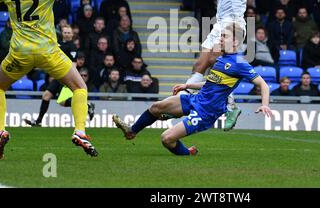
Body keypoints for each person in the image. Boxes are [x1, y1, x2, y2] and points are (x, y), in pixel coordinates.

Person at [0, 0, 136, 159]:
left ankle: (0, 131)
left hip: (20, 53)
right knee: (79, 87)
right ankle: (79, 131)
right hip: (48, 52)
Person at [112, 23, 272, 155]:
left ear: (236, 42)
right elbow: (210, 83)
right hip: (196, 99)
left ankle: (188, 153)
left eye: (225, 36)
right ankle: (131, 131)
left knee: (166, 139)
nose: (220, 39)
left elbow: (263, 85)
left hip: (206, 112)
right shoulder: (221, 59)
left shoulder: (240, 63)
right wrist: (187, 85)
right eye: (221, 35)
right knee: (156, 107)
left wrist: (264, 104)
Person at [184, 0, 260, 131]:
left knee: (214, 61)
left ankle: (231, 107)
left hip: (233, 24)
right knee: (199, 65)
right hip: (218, 24)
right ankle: (187, 99)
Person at [24, 25, 92, 127]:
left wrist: (69, 76)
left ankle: (87, 105)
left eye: (69, 33)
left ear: (72, 34)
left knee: (62, 102)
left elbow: (74, 63)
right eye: (65, 32)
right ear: (62, 33)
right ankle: (38, 121)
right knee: (46, 96)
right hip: (57, 76)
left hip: (66, 76)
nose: (67, 34)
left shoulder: (72, 46)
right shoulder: (58, 44)